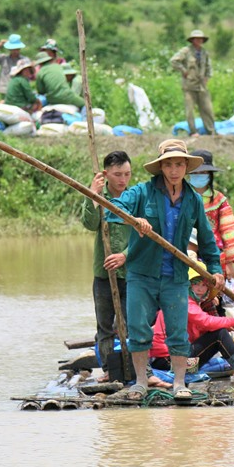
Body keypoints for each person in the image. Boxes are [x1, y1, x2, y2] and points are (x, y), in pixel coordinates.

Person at [107, 139, 226, 401]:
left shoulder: (193, 200)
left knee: (177, 331)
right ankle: (140, 381)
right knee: (138, 328)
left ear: (186, 167)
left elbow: (207, 240)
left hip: (175, 276)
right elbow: (114, 210)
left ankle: (180, 383)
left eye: (179, 165)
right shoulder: (142, 192)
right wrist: (133, 219)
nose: (174, 170)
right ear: (161, 167)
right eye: (169, 165)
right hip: (142, 274)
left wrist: (216, 270)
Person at [149, 268, 234, 386]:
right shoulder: (184, 301)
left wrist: (225, 325)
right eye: (196, 284)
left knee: (219, 332)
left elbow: (202, 328)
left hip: (177, 357)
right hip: (169, 362)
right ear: (188, 285)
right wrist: (231, 322)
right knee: (219, 335)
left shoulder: (191, 302)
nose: (199, 289)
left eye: (204, 285)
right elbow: (205, 322)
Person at [82, 150, 133, 382]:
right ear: (106, 174)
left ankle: (130, 368)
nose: (123, 180)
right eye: (117, 174)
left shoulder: (135, 198)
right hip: (104, 274)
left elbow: (146, 236)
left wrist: (124, 254)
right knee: (105, 326)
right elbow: (90, 224)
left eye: (127, 174)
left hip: (131, 273)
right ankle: (109, 371)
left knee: (127, 323)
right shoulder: (99, 197)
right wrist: (93, 195)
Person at [187, 149, 234, 281]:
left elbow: (228, 231)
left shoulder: (219, 200)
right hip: (187, 253)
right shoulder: (181, 196)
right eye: (195, 172)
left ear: (210, 175)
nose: (199, 175)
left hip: (214, 254)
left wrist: (229, 263)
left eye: (203, 172)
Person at [170, 29, 215, 136]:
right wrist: (184, 70)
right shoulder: (186, 51)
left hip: (201, 85)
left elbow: (208, 66)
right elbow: (174, 61)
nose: (199, 41)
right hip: (189, 85)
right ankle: (193, 131)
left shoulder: (204, 53)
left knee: (207, 108)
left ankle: (211, 131)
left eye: (201, 39)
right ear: (193, 40)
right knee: (190, 110)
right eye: (197, 39)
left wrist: (207, 77)